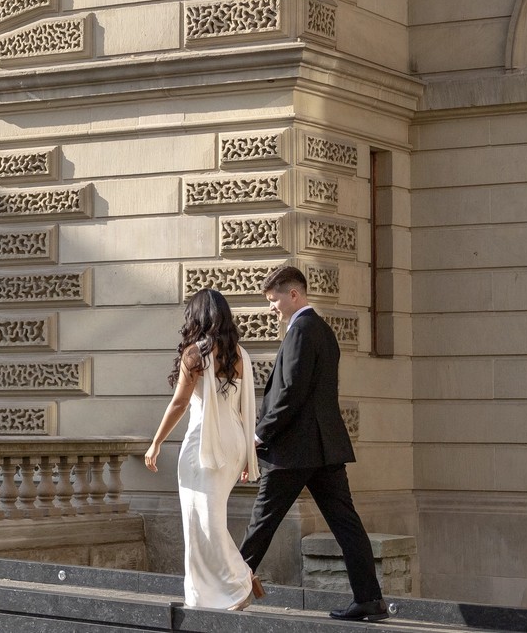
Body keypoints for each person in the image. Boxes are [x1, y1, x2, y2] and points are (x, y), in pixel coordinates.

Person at [239, 265, 389, 622]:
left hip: (294, 451)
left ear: (294, 295)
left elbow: (291, 393)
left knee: (262, 522)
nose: (271, 308)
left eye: (274, 300)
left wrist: (260, 434)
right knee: (346, 524)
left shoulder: (302, 330)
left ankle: (228, 587)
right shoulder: (322, 330)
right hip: (324, 449)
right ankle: (370, 600)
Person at [144, 288, 265, 611]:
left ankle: (237, 582)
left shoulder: (194, 354)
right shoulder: (239, 353)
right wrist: (246, 456)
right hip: (234, 441)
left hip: (204, 442)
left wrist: (155, 443)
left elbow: (180, 403)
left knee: (199, 520)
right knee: (210, 517)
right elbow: (244, 408)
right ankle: (217, 591)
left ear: (194, 318)